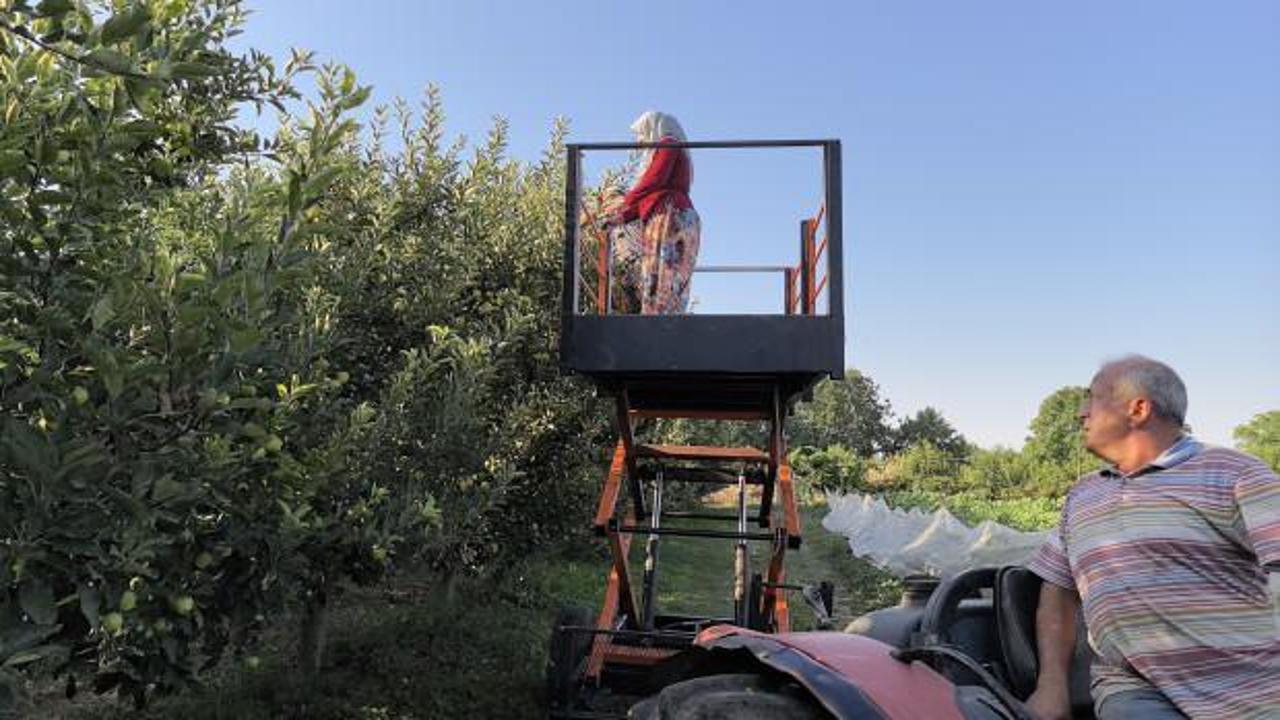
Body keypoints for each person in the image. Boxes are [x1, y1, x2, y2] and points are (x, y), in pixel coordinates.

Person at [1024, 355, 1279, 720]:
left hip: (1247, 686)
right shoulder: (1082, 495)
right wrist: (1051, 685)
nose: (1082, 412)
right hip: (1134, 689)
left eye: (1093, 399)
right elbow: (1057, 592)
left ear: (1138, 408)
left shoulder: (1234, 473)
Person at [602, 111, 700, 315]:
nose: (640, 141)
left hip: (669, 215)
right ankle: (667, 315)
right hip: (682, 215)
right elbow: (650, 194)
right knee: (674, 272)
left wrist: (622, 205)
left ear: (653, 128)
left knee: (660, 268)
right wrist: (620, 217)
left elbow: (653, 180)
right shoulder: (675, 153)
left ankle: (656, 317)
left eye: (642, 134)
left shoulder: (668, 143)